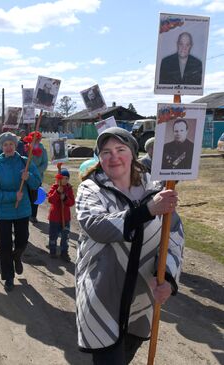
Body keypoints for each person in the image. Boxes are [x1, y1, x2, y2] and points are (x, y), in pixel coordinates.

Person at [75, 127, 184, 364]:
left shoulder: (157, 188)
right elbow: (96, 226)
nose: (113, 157)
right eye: (106, 152)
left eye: (120, 149)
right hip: (102, 296)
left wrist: (167, 277)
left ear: (133, 153)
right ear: (99, 157)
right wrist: (147, 211)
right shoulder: (90, 188)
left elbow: (173, 236)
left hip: (141, 299)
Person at [0, 132, 41, 291]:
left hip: (23, 210)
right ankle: (8, 277)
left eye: (11, 144)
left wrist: (29, 176)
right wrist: (12, 196)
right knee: (4, 246)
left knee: (22, 240)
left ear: (15, 145)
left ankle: (17, 256)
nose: (9, 147)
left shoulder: (25, 162)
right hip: (4, 212)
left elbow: (36, 184)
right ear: (1, 147)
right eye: (5, 145)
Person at [46, 169, 75, 261]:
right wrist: (57, 192)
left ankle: (64, 252)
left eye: (67, 178)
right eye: (63, 178)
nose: (65, 180)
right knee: (53, 235)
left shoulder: (69, 189)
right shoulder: (54, 187)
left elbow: (71, 202)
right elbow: (50, 200)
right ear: (59, 179)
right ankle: (53, 250)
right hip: (55, 217)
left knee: (65, 236)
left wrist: (65, 198)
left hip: (65, 218)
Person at [27, 138, 48, 223]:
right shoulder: (27, 148)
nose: (35, 142)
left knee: (35, 196)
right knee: (27, 195)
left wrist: (36, 171)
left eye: (37, 140)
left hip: (37, 177)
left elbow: (45, 163)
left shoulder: (43, 149)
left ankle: (33, 215)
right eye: (33, 140)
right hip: (27, 176)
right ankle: (27, 213)